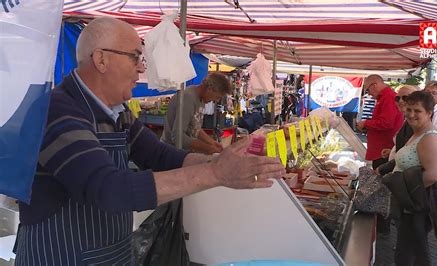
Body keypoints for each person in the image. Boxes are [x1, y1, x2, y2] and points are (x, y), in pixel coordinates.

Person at [13, 17, 285, 265]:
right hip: (61, 257)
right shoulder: (57, 110)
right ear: (101, 59)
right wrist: (214, 173)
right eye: (136, 57)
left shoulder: (117, 111)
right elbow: (108, 188)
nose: (142, 69)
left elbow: (162, 156)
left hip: (112, 254)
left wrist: (220, 162)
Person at [388, 91, 437, 266]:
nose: (411, 114)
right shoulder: (417, 132)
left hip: (416, 205)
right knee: (408, 249)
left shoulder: (430, 138)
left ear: (429, 113)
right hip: (408, 205)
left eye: (417, 111)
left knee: (411, 252)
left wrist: (400, 189)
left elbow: (433, 175)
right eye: (409, 109)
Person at [161, 72, 232, 154]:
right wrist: (207, 148)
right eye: (217, 97)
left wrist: (212, 142)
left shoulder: (201, 99)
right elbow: (178, 136)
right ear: (210, 88)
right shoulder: (188, 98)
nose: (216, 100)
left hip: (183, 152)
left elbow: (195, 127)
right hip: (171, 153)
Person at [356, 75, 404, 169]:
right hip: (382, 150)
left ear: (374, 85)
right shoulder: (384, 97)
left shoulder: (388, 97)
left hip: (383, 151)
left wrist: (365, 123)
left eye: (368, 90)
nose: (369, 94)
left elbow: (386, 123)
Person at [377, 85, 418, 174]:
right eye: (397, 98)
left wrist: (381, 169)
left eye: (405, 97)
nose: (400, 101)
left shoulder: (416, 124)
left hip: (404, 177)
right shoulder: (407, 121)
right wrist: (392, 150)